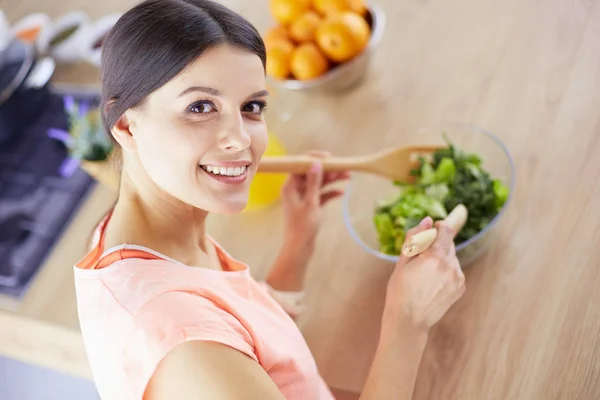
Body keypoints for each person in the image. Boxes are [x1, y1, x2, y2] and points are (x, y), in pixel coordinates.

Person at [73, 0, 466, 399]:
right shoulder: (185, 346)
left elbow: (239, 331)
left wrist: (299, 244)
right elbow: (206, 337)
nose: (240, 139)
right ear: (126, 125)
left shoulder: (139, 234)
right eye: (200, 107)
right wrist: (408, 320)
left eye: (251, 107)